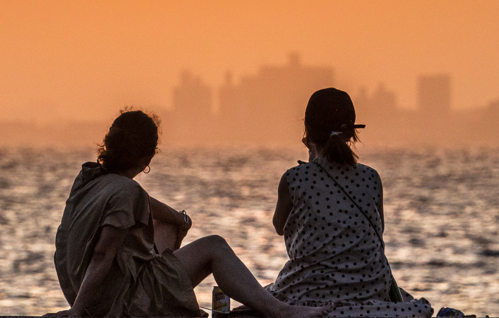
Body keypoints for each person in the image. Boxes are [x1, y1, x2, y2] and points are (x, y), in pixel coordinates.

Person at [52, 108, 334, 318]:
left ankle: (165, 294)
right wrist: (77, 312)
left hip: (92, 293)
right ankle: (280, 310)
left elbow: (144, 202)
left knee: (166, 225)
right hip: (116, 304)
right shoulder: (127, 192)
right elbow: (102, 254)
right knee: (214, 246)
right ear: (148, 157)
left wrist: (179, 218)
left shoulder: (89, 179)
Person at [267, 88, 437, 318]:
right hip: (371, 291)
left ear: (309, 133)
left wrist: (311, 164)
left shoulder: (295, 178)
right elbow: (377, 231)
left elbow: (279, 227)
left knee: (264, 296)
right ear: (351, 134)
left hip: (311, 293)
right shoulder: (371, 177)